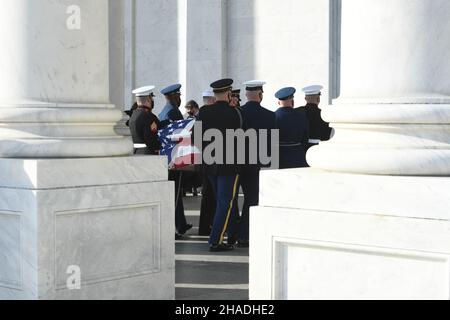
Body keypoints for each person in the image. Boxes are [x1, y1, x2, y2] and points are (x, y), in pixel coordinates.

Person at [197, 78, 242, 252]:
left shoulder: (204, 112)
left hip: (210, 164)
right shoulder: (235, 113)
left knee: (222, 202)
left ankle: (231, 234)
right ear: (229, 94)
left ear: (215, 95)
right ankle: (216, 240)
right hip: (228, 165)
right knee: (226, 202)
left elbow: (197, 139)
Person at [235, 80, 276, 247]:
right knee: (251, 199)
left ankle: (233, 233)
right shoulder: (270, 115)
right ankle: (244, 235)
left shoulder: (237, 112)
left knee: (230, 200)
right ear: (260, 94)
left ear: (246, 94)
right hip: (256, 162)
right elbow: (270, 143)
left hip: (236, 161)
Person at [159, 83, 192, 239]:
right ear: (172, 96)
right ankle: (174, 227)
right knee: (174, 193)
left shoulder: (165, 110)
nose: (180, 98)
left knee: (176, 193)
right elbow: (180, 134)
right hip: (173, 157)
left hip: (168, 157)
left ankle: (180, 224)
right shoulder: (173, 112)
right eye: (178, 96)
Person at [198, 90, 219, 236]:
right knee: (217, 194)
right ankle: (214, 225)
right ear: (212, 100)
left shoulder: (201, 114)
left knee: (207, 195)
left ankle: (204, 227)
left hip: (205, 159)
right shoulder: (211, 113)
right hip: (215, 159)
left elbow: (196, 138)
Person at [275, 87, 309, 169]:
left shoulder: (272, 116)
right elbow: (305, 138)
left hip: (279, 156)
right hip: (297, 155)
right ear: (292, 101)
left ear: (278, 102)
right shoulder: (301, 116)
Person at [296, 85, 332, 152]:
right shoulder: (324, 114)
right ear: (318, 99)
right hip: (317, 149)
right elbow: (326, 136)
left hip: (299, 149)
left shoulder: (297, 111)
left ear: (305, 98)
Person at [128, 86, 161, 155]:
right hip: (148, 153)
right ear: (148, 100)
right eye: (152, 98)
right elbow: (151, 137)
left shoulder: (133, 114)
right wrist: (157, 148)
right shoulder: (149, 116)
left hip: (136, 152)